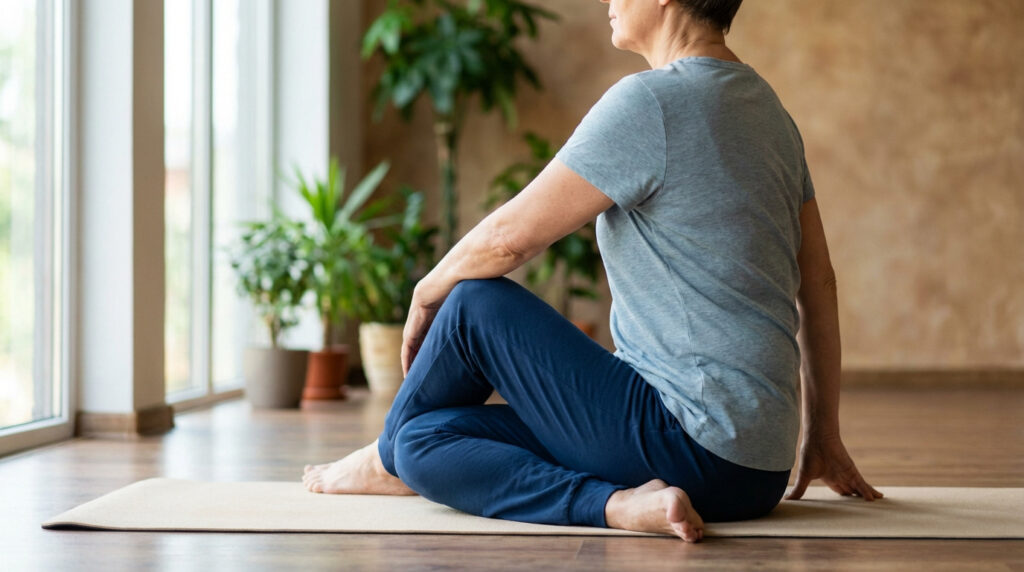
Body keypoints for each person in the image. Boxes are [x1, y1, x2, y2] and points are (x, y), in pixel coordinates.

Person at [302, 0, 882, 542]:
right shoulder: (772, 115)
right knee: (424, 440)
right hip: (757, 473)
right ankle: (618, 504)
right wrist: (822, 434)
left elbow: (507, 241)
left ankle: (382, 459)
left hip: (683, 442)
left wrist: (427, 290)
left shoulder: (651, 102)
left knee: (473, 303)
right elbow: (820, 282)